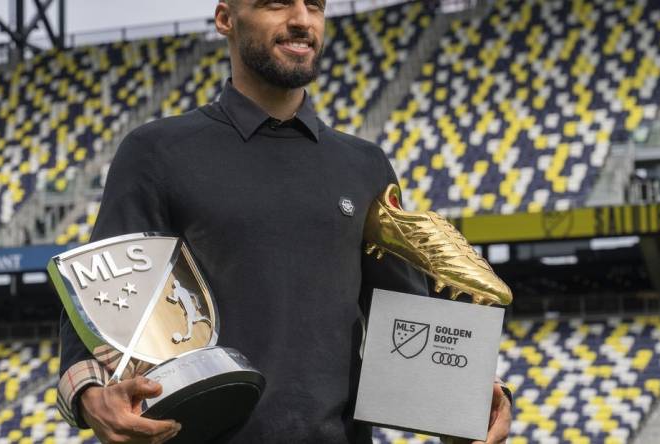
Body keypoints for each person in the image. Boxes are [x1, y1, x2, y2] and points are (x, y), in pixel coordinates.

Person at [56, 0, 513, 442]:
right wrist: (89, 393)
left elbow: (405, 315)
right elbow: (102, 292)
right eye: (276, 4)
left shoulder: (365, 164)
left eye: (314, 5)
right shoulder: (156, 151)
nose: (301, 20)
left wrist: (469, 398)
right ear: (225, 19)